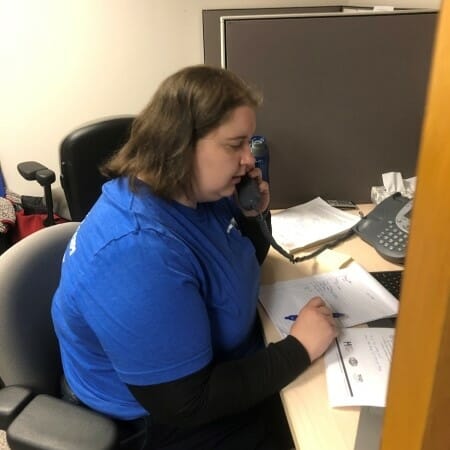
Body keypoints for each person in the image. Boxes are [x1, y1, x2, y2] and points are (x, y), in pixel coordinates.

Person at [51, 65, 338, 450]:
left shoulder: (197, 194)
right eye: (235, 144)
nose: (248, 160)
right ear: (180, 144)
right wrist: (298, 349)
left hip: (207, 372)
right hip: (152, 416)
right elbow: (187, 403)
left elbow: (242, 260)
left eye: (249, 144)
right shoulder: (137, 253)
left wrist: (253, 215)